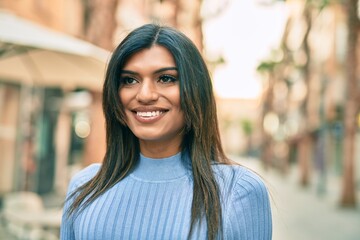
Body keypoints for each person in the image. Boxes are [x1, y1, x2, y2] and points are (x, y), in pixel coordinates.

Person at [60, 23, 272, 240]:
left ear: (195, 90)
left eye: (166, 78)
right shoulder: (84, 186)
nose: (145, 95)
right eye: (130, 80)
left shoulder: (238, 191)